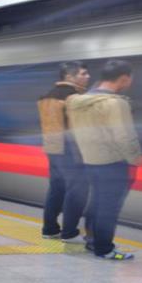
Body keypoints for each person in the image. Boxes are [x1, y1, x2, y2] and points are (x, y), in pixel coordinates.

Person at [67, 60, 142, 261]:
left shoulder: (77, 101)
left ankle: (92, 240)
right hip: (114, 163)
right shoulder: (116, 103)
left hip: (90, 161)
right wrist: (135, 159)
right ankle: (104, 248)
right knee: (108, 208)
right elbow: (124, 136)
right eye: (131, 78)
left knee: (96, 203)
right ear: (124, 78)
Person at [37, 61, 90, 242]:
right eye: (83, 73)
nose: (87, 76)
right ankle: (69, 233)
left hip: (52, 149)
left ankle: (49, 229)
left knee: (56, 189)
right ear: (69, 76)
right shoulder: (74, 98)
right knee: (77, 190)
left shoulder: (46, 96)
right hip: (72, 150)